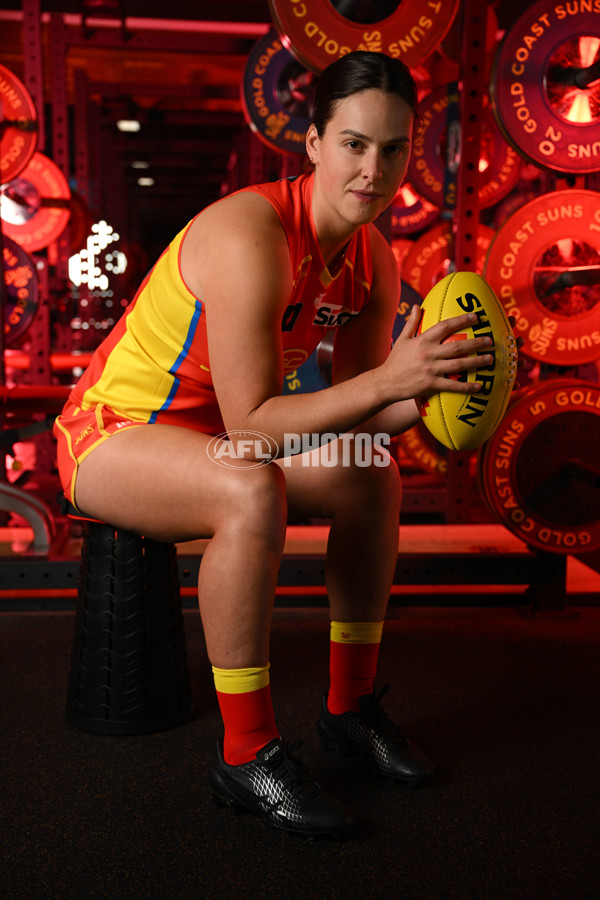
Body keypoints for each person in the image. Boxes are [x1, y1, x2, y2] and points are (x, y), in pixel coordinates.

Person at [54, 51, 496, 838]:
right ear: (316, 143)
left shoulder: (373, 258)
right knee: (248, 485)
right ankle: (246, 753)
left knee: (371, 478)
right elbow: (257, 426)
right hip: (113, 435)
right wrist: (386, 383)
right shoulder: (250, 233)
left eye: (393, 149)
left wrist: (429, 389)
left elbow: (362, 413)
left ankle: (348, 711)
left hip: (217, 440)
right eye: (355, 144)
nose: (374, 169)